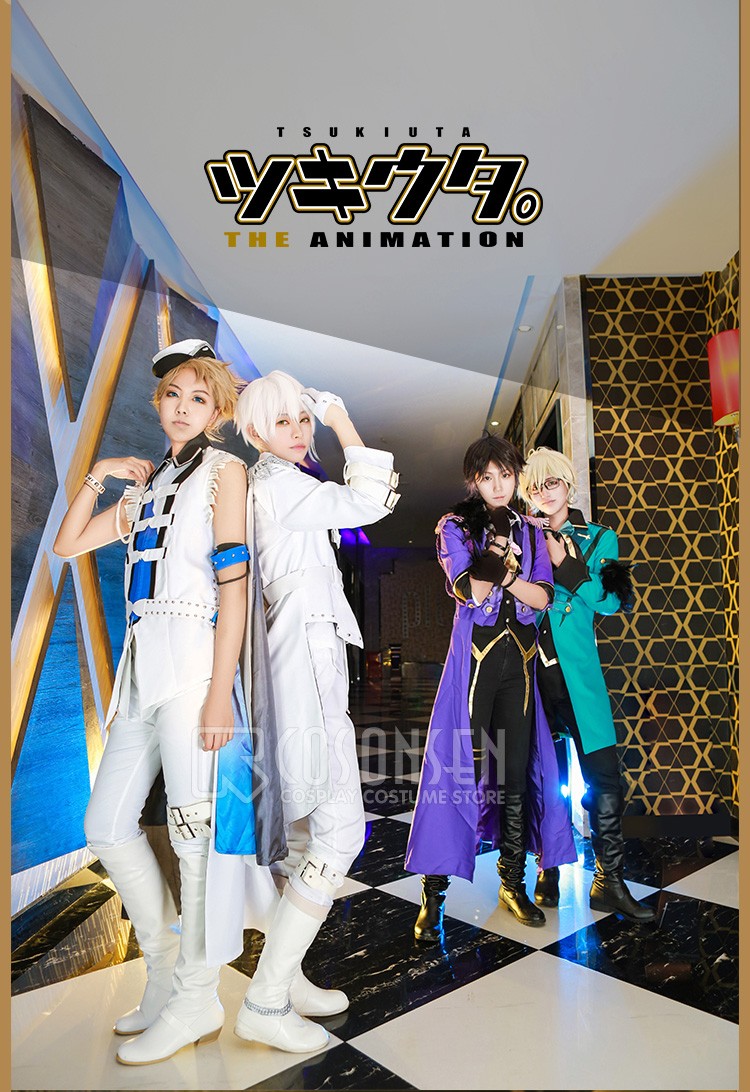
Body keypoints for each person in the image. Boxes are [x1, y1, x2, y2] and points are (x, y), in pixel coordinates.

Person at [54, 338, 250, 1065]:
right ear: (159, 401)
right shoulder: (146, 488)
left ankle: (198, 998)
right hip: (140, 668)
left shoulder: (226, 472)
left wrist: (220, 692)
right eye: (173, 395)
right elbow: (69, 545)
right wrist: (100, 475)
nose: (183, 408)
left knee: (193, 837)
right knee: (105, 826)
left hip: (194, 665)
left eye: (199, 398)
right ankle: (164, 970)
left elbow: (234, 590)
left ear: (217, 410)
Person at [232, 371, 400, 1053]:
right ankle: (266, 999)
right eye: (285, 422)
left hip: (304, 658)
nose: (300, 431)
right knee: (341, 834)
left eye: (303, 419)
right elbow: (370, 499)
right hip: (302, 663)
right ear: (255, 433)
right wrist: (339, 419)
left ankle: (286, 979)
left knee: (307, 836)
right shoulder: (279, 485)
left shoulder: (276, 483)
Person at [404, 435, 576, 941]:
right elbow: (468, 589)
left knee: (516, 777)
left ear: (516, 476)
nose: (498, 485)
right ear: (473, 482)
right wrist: (499, 554)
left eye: (506, 475)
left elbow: (542, 597)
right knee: (455, 771)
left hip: (518, 669)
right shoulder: (454, 527)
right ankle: (433, 896)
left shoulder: (532, 530)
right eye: (487, 477)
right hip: (473, 668)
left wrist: (503, 574)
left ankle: (513, 885)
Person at [519, 447, 655, 922]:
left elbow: (610, 604)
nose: (544, 493)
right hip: (534, 678)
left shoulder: (599, 538)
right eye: (535, 486)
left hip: (579, 678)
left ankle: (609, 881)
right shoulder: (522, 538)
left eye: (551, 483)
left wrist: (567, 566)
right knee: (547, 780)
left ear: (568, 485)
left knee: (604, 779)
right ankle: (549, 868)